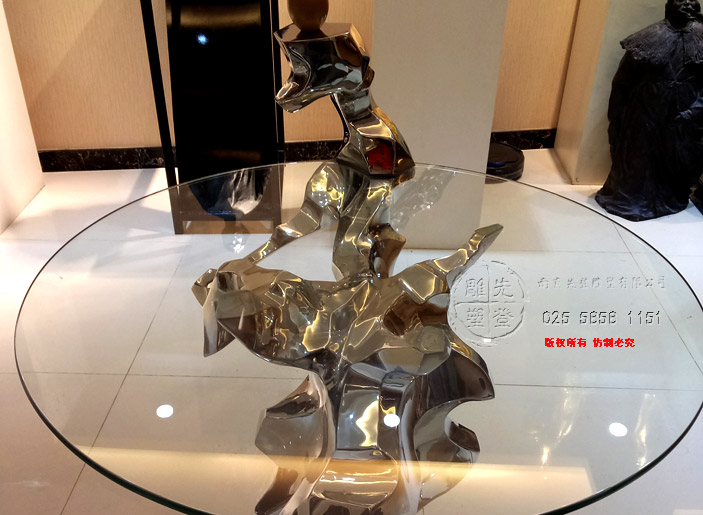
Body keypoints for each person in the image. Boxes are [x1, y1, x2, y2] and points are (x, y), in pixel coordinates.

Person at [596, 0, 703, 221]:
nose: (688, 4)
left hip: (683, 119)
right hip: (645, 114)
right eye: (681, 0)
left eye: (692, 0)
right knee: (637, 159)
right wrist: (618, 116)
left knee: (672, 161)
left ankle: (668, 198)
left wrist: (694, 111)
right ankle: (629, 200)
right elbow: (623, 82)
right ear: (669, 4)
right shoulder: (647, 37)